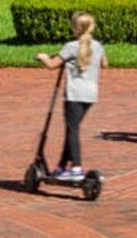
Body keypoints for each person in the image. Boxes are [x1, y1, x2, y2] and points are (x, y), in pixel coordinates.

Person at [38, 12, 104, 180]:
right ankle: (61, 166)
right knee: (72, 129)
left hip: (74, 94)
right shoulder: (97, 46)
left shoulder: (71, 46)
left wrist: (43, 57)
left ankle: (76, 167)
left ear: (75, 28)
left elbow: (52, 65)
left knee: (72, 130)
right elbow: (104, 63)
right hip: (90, 94)